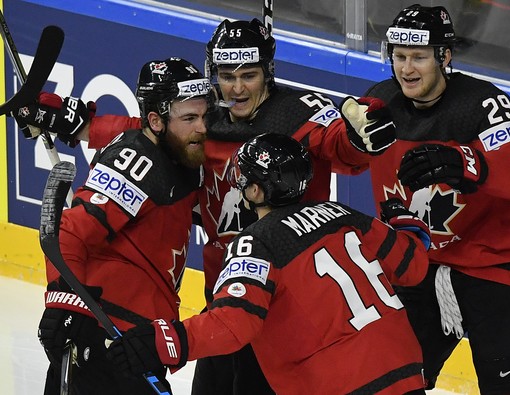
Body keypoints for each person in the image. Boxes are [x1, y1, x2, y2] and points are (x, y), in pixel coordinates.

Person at [13, 18, 395, 395]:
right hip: (227, 306)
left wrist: (361, 137)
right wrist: (76, 123)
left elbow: (341, 148)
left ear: (269, 71)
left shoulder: (299, 114)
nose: (237, 87)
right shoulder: (205, 120)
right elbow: (152, 132)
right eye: (227, 75)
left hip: (288, 314)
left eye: (249, 75)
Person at [337, 4, 510, 395]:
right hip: (420, 263)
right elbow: (347, 159)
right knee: (385, 379)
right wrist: (350, 142)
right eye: (400, 56)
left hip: (500, 261)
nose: (407, 68)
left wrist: (466, 161)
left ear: (445, 56)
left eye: (419, 57)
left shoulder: (481, 104)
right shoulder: (380, 101)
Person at [105, 132, 431, 395]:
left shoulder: (256, 241)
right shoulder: (345, 214)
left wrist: (164, 341)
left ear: (256, 190)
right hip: (405, 369)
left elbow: (235, 323)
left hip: (338, 383)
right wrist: (409, 226)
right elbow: (412, 266)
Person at [31, 57, 213, 394]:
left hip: (137, 341)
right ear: (157, 121)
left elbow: (126, 126)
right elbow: (70, 232)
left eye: (205, 115)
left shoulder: (176, 149)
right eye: (190, 118)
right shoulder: (139, 162)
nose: (202, 127)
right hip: (106, 340)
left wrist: (72, 120)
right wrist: (62, 303)